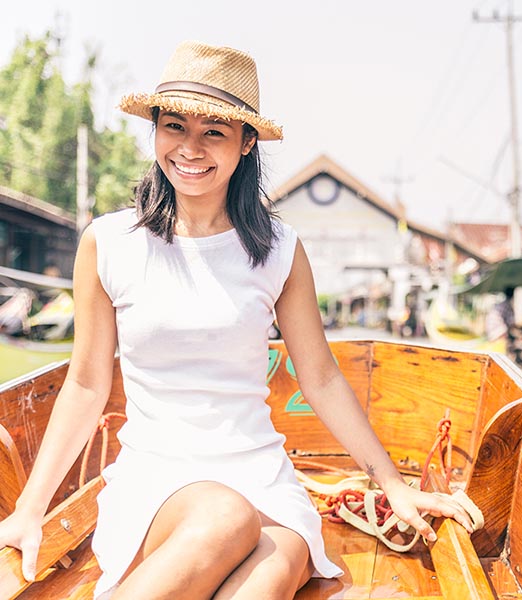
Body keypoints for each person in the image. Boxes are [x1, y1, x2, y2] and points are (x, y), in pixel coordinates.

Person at [0, 41, 473, 600]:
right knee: (224, 517)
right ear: (153, 131)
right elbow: (85, 383)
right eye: (174, 126)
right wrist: (30, 510)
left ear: (247, 143)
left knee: (268, 575)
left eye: (214, 133)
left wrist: (393, 485)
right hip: (157, 477)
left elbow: (319, 377)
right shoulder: (109, 243)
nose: (190, 148)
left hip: (262, 474)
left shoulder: (278, 250)